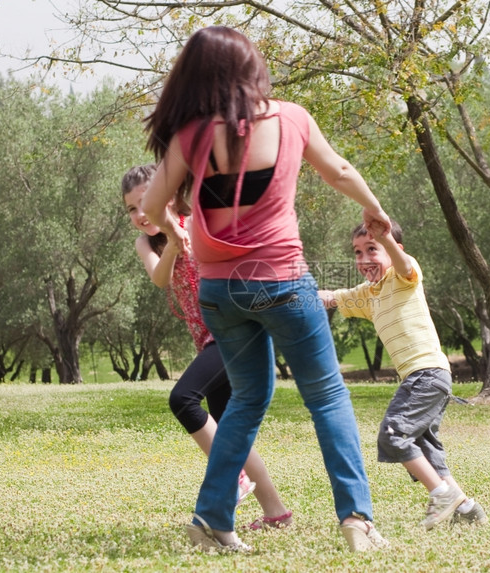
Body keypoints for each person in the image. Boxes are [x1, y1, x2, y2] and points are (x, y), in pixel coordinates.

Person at [141, 26, 392, 553]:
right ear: (251, 69)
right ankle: (356, 521)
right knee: (326, 396)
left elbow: (151, 206)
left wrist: (174, 228)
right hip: (282, 284)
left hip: (220, 294)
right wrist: (374, 210)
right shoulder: (291, 117)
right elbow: (339, 170)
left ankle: (211, 522)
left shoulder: (190, 137)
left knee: (249, 399)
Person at [121, 163, 293, 532]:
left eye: (144, 203)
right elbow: (159, 277)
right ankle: (276, 513)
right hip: (207, 338)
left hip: (233, 331)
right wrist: (169, 239)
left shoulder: (198, 219)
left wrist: (178, 230)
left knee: (182, 399)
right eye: (131, 209)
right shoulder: (146, 242)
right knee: (232, 429)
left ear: (166, 195)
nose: (139, 214)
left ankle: (232, 477)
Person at [318, 220, 488, 530]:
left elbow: (402, 261)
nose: (364, 259)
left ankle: (441, 494)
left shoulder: (403, 275)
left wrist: (383, 234)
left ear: (394, 249)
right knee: (424, 448)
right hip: (427, 376)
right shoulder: (369, 294)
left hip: (426, 373)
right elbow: (330, 296)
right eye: (357, 252)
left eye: (373, 249)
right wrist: (286, 296)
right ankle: (466, 507)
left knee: (394, 435)